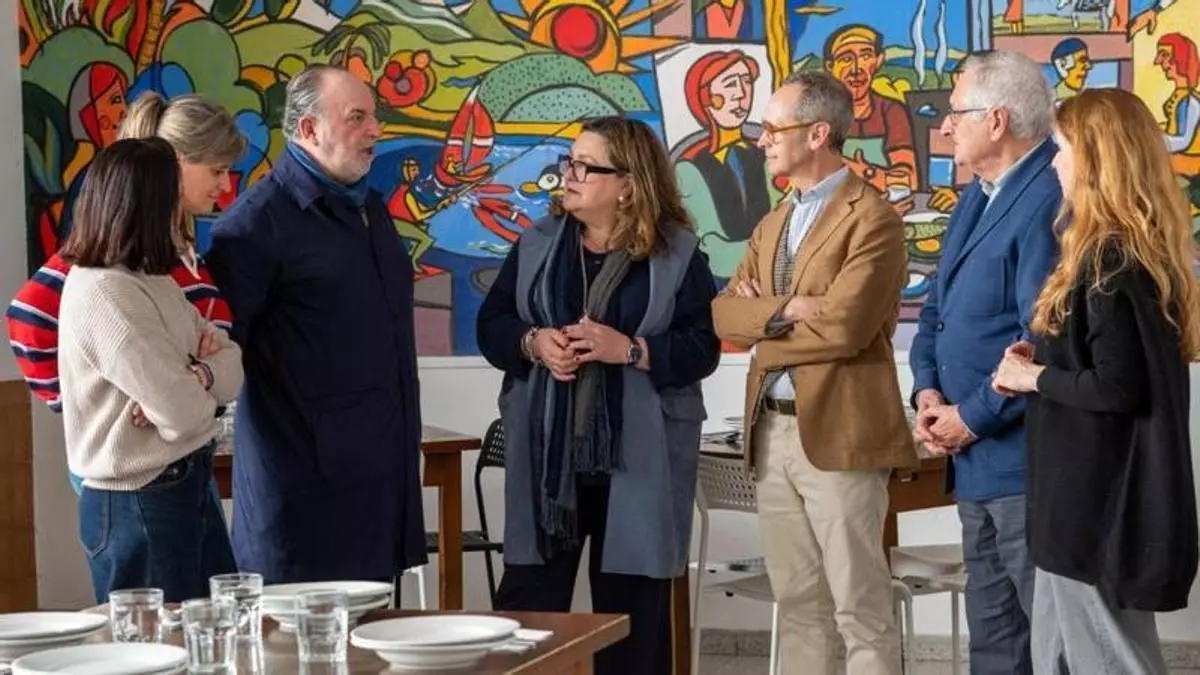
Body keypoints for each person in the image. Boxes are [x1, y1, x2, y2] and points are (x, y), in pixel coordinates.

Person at [476, 116, 720, 674]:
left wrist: (629, 350)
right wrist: (535, 343)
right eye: (570, 161)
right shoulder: (537, 243)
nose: (569, 173)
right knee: (527, 607)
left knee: (632, 619)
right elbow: (493, 325)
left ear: (628, 183)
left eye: (586, 166)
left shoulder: (676, 254)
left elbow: (701, 348)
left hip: (639, 458)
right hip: (549, 459)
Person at [992, 88, 1200, 675]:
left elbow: (1118, 387)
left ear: (1096, 158)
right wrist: (1043, 358)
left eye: (1061, 149)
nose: (1054, 163)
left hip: (1095, 505)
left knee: (1108, 659)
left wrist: (1033, 376)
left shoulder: (1112, 260)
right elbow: (1103, 362)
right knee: (1060, 655)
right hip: (1078, 503)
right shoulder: (1122, 254)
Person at [712, 69, 913, 675]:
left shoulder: (872, 218)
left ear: (818, 133)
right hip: (771, 433)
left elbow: (846, 330)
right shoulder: (772, 222)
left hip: (841, 433)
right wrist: (790, 309)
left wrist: (763, 328)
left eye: (773, 129)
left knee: (860, 608)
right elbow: (722, 313)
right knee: (799, 603)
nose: (761, 140)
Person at [206, 65, 426, 583]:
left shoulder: (368, 208)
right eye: (356, 118)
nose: (375, 130)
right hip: (304, 500)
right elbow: (219, 347)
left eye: (373, 117)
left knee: (374, 634)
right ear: (309, 129)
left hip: (378, 485)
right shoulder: (256, 223)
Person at [6, 91, 243, 494]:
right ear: (174, 163)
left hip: (184, 456)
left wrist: (192, 376)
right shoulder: (114, 256)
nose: (225, 185)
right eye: (217, 170)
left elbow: (225, 355)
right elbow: (29, 317)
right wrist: (102, 406)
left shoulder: (176, 247)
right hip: (141, 474)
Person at [908, 51, 1060, 675]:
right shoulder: (978, 194)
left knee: (1048, 641)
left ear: (996, 121)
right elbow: (936, 312)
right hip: (973, 461)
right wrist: (927, 393)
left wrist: (969, 418)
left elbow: (1040, 337)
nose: (945, 126)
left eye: (955, 112)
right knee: (995, 641)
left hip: (1024, 462)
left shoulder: (1050, 192)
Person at [57, 137, 243, 603]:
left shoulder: (150, 277)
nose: (179, 212)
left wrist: (198, 375)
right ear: (147, 203)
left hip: (185, 482)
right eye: (171, 196)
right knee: (158, 643)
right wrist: (193, 383)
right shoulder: (104, 291)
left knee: (216, 633)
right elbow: (180, 412)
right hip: (139, 499)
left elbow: (232, 363)